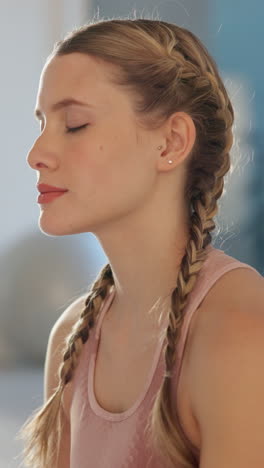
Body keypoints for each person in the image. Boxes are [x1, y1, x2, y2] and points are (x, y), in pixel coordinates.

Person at [17, 16, 264, 468]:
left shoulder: (240, 332)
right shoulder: (73, 340)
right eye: (42, 123)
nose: (36, 155)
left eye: (73, 124)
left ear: (171, 142)